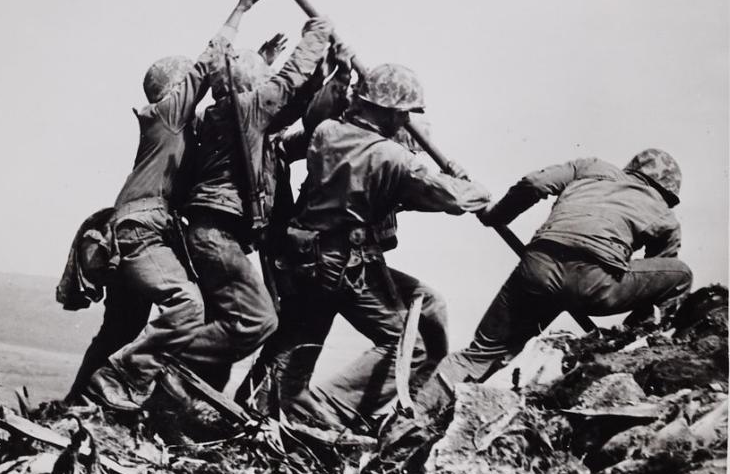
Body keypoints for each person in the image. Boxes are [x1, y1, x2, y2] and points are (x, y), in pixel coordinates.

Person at [254, 63, 491, 428]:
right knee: (409, 345)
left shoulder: (327, 133)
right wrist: (470, 186)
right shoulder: (393, 158)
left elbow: (373, 184)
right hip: (344, 265)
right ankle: (325, 412)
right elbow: (455, 199)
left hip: (305, 258)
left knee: (298, 341)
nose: (406, 121)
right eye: (404, 114)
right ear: (392, 112)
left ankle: (259, 408)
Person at [80, 0, 266, 410]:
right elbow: (207, 63)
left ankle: (80, 402)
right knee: (187, 304)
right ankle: (122, 381)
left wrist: (259, 65)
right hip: (140, 232)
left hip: (137, 232)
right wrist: (240, 9)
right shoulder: (165, 116)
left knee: (121, 328)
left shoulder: (178, 131)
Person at [413, 148, 693, 421]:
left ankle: (414, 415)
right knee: (680, 275)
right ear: (667, 192)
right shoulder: (665, 216)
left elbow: (534, 183)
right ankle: (634, 345)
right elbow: (654, 286)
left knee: (480, 353)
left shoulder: (592, 167)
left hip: (537, 267)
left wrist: (496, 216)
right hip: (594, 283)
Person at [161, 14, 334, 398]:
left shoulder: (235, 118)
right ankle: (158, 362)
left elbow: (297, 105)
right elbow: (286, 86)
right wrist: (316, 36)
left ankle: (183, 399)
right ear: (248, 86)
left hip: (216, 234)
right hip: (215, 234)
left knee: (231, 324)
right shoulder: (242, 110)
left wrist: (329, 73)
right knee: (256, 320)